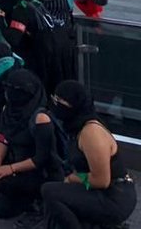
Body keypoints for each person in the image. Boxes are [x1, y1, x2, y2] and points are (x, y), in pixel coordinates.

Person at [42, 80, 137, 229]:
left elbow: (101, 180)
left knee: (50, 191)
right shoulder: (77, 126)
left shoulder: (91, 133)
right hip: (103, 190)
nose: (55, 104)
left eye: (59, 101)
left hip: (114, 197)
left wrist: (73, 178)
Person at [0, 68, 59, 222]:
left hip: (40, 171)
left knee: (6, 183)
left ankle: (40, 202)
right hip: (17, 161)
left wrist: (10, 169)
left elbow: (42, 158)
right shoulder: (8, 109)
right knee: (1, 208)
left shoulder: (40, 118)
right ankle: (27, 200)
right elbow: (3, 135)